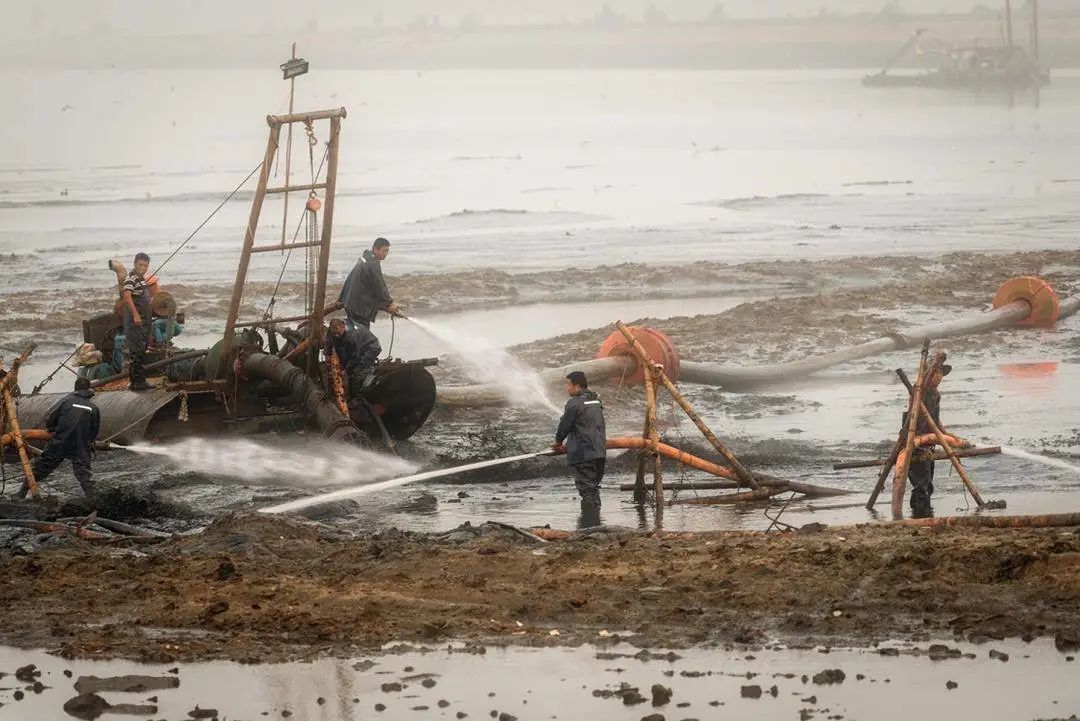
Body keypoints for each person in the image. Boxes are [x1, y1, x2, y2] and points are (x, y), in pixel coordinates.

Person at [18, 377, 100, 499]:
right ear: (89, 391)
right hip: (80, 445)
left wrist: (51, 429)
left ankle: (20, 494)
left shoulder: (66, 402)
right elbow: (94, 430)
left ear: (76, 389)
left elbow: (51, 420)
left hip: (60, 442)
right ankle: (94, 500)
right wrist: (89, 442)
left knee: (41, 468)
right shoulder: (93, 408)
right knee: (84, 475)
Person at [553, 371, 607, 521]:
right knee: (593, 488)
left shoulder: (574, 403)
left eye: (568, 385)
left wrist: (558, 442)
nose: (567, 388)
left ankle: (589, 524)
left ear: (577, 386)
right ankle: (596, 520)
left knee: (587, 490)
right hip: (599, 452)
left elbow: (564, 426)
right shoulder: (596, 401)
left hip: (583, 453)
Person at [906, 362, 951, 517]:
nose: (939, 377)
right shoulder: (920, 390)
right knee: (920, 480)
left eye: (940, 374)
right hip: (916, 438)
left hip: (929, 440)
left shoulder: (935, 394)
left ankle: (926, 511)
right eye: (936, 373)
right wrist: (937, 359)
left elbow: (935, 420)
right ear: (929, 374)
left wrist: (948, 436)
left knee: (928, 479)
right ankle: (919, 513)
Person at [338, 237, 399, 329]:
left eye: (387, 251)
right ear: (375, 249)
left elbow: (372, 285)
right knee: (362, 336)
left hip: (350, 302)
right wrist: (390, 303)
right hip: (358, 306)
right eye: (384, 251)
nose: (386, 254)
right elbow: (379, 285)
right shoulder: (372, 264)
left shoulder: (366, 257)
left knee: (355, 332)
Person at [325, 318, 381, 399]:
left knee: (356, 373)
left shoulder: (351, 337)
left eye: (337, 333)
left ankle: (357, 397)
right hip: (358, 345)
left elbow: (354, 358)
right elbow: (329, 342)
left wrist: (344, 370)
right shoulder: (332, 331)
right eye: (334, 334)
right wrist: (328, 356)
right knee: (345, 366)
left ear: (343, 327)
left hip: (370, 348)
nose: (336, 335)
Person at [121, 252, 153, 391]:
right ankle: (137, 383)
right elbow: (127, 296)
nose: (143, 268)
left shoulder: (142, 280)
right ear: (135, 264)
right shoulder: (131, 278)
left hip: (144, 323)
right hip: (135, 323)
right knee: (136, 352)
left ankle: (138, 381)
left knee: (141, 351)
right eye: (140, 265)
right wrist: (135, 315)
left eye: (145, 265)